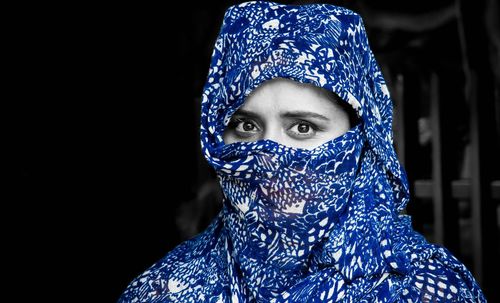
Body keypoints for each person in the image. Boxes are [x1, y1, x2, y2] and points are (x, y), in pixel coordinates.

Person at [118, 1, 486, 302]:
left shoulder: (430, 290)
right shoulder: (161, 291)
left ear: (361, 140)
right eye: (246, 126)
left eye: (303, 127)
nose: (270, 156)